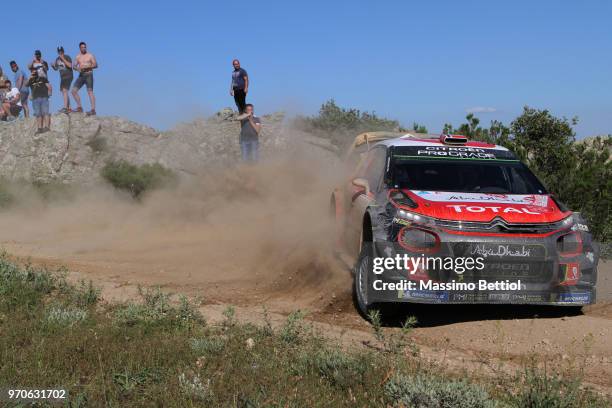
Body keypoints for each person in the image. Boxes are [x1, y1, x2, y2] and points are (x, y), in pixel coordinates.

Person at [72, 41, 98, 116]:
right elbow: (74, 66)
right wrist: (77, 69)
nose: (84, 48)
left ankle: (93, 109)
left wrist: (87, 66)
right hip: (81, 75)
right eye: (82, 47)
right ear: (80, 48)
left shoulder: (90, 55)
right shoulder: (78, 56)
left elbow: (96, 65)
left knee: (90, 91)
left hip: (89, 74)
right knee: (73, 91)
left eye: (85, 47)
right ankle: (79, 107)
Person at [27, 68, 52, 133]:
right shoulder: (31, 80)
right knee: (38, 114)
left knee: (45, 112)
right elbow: (26, 84)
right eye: (32, 72)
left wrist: (49, 92)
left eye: (35, 72)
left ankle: (47, 127)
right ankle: (39, 128)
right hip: (35, 99)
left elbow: (49, 86)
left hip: (44, 97)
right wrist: (30, 77)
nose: (34, 73)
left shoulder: (42, 78)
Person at [51, 46, 73, 113]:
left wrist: (63, 58)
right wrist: (53, 66)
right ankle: (69, 107)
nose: (60, 53)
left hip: (68, 75)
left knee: (64, 90)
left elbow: (70, 65)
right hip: (62, 77)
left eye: (61, 51)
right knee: (64, 92)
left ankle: (65, 107)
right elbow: (56, 69)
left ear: (63, 51)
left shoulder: (67, 57)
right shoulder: (57, 59)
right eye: (59, 52)